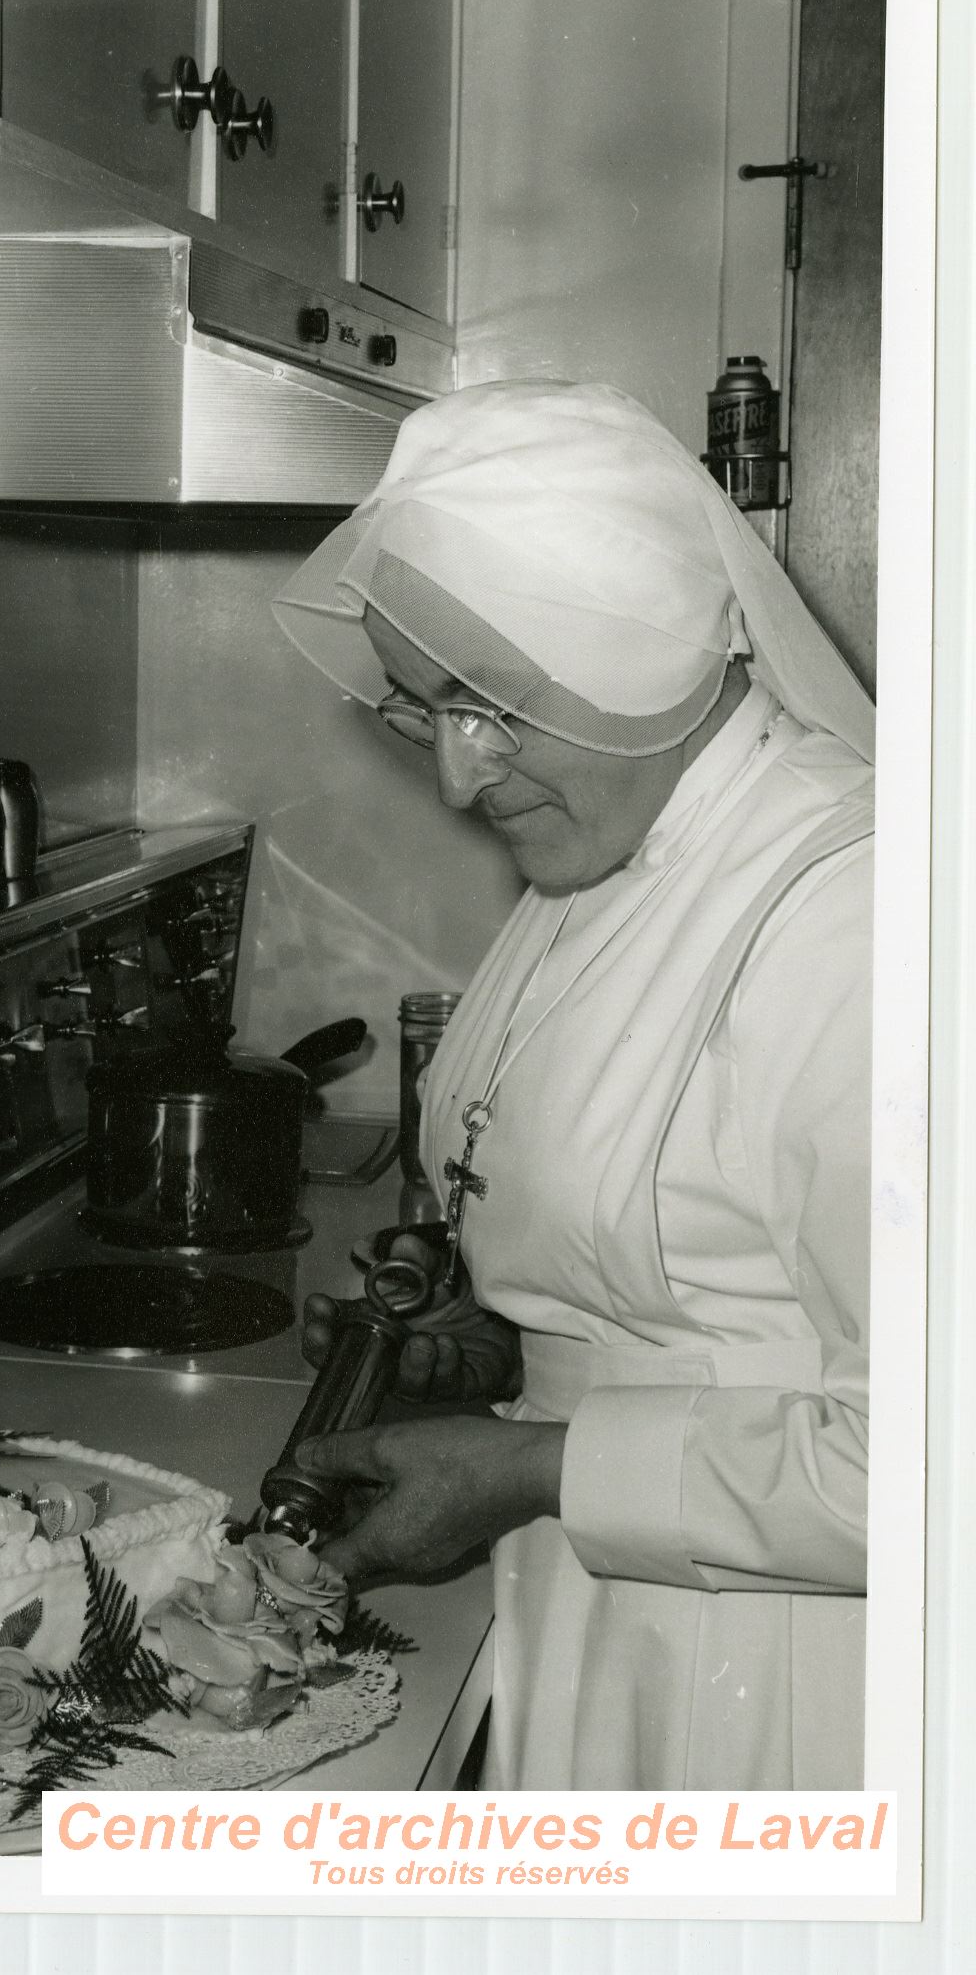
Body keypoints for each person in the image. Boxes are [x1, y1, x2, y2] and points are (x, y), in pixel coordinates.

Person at [272, 379, 874, 1792]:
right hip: (621, 1618)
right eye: (423, 712)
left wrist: (537, 1466)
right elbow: (680, 1256)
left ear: (636, 646)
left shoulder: (861, 918)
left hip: (781, 1687)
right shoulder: (623, 826)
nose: (460, 779)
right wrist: (489, 1334)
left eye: (489, 707)